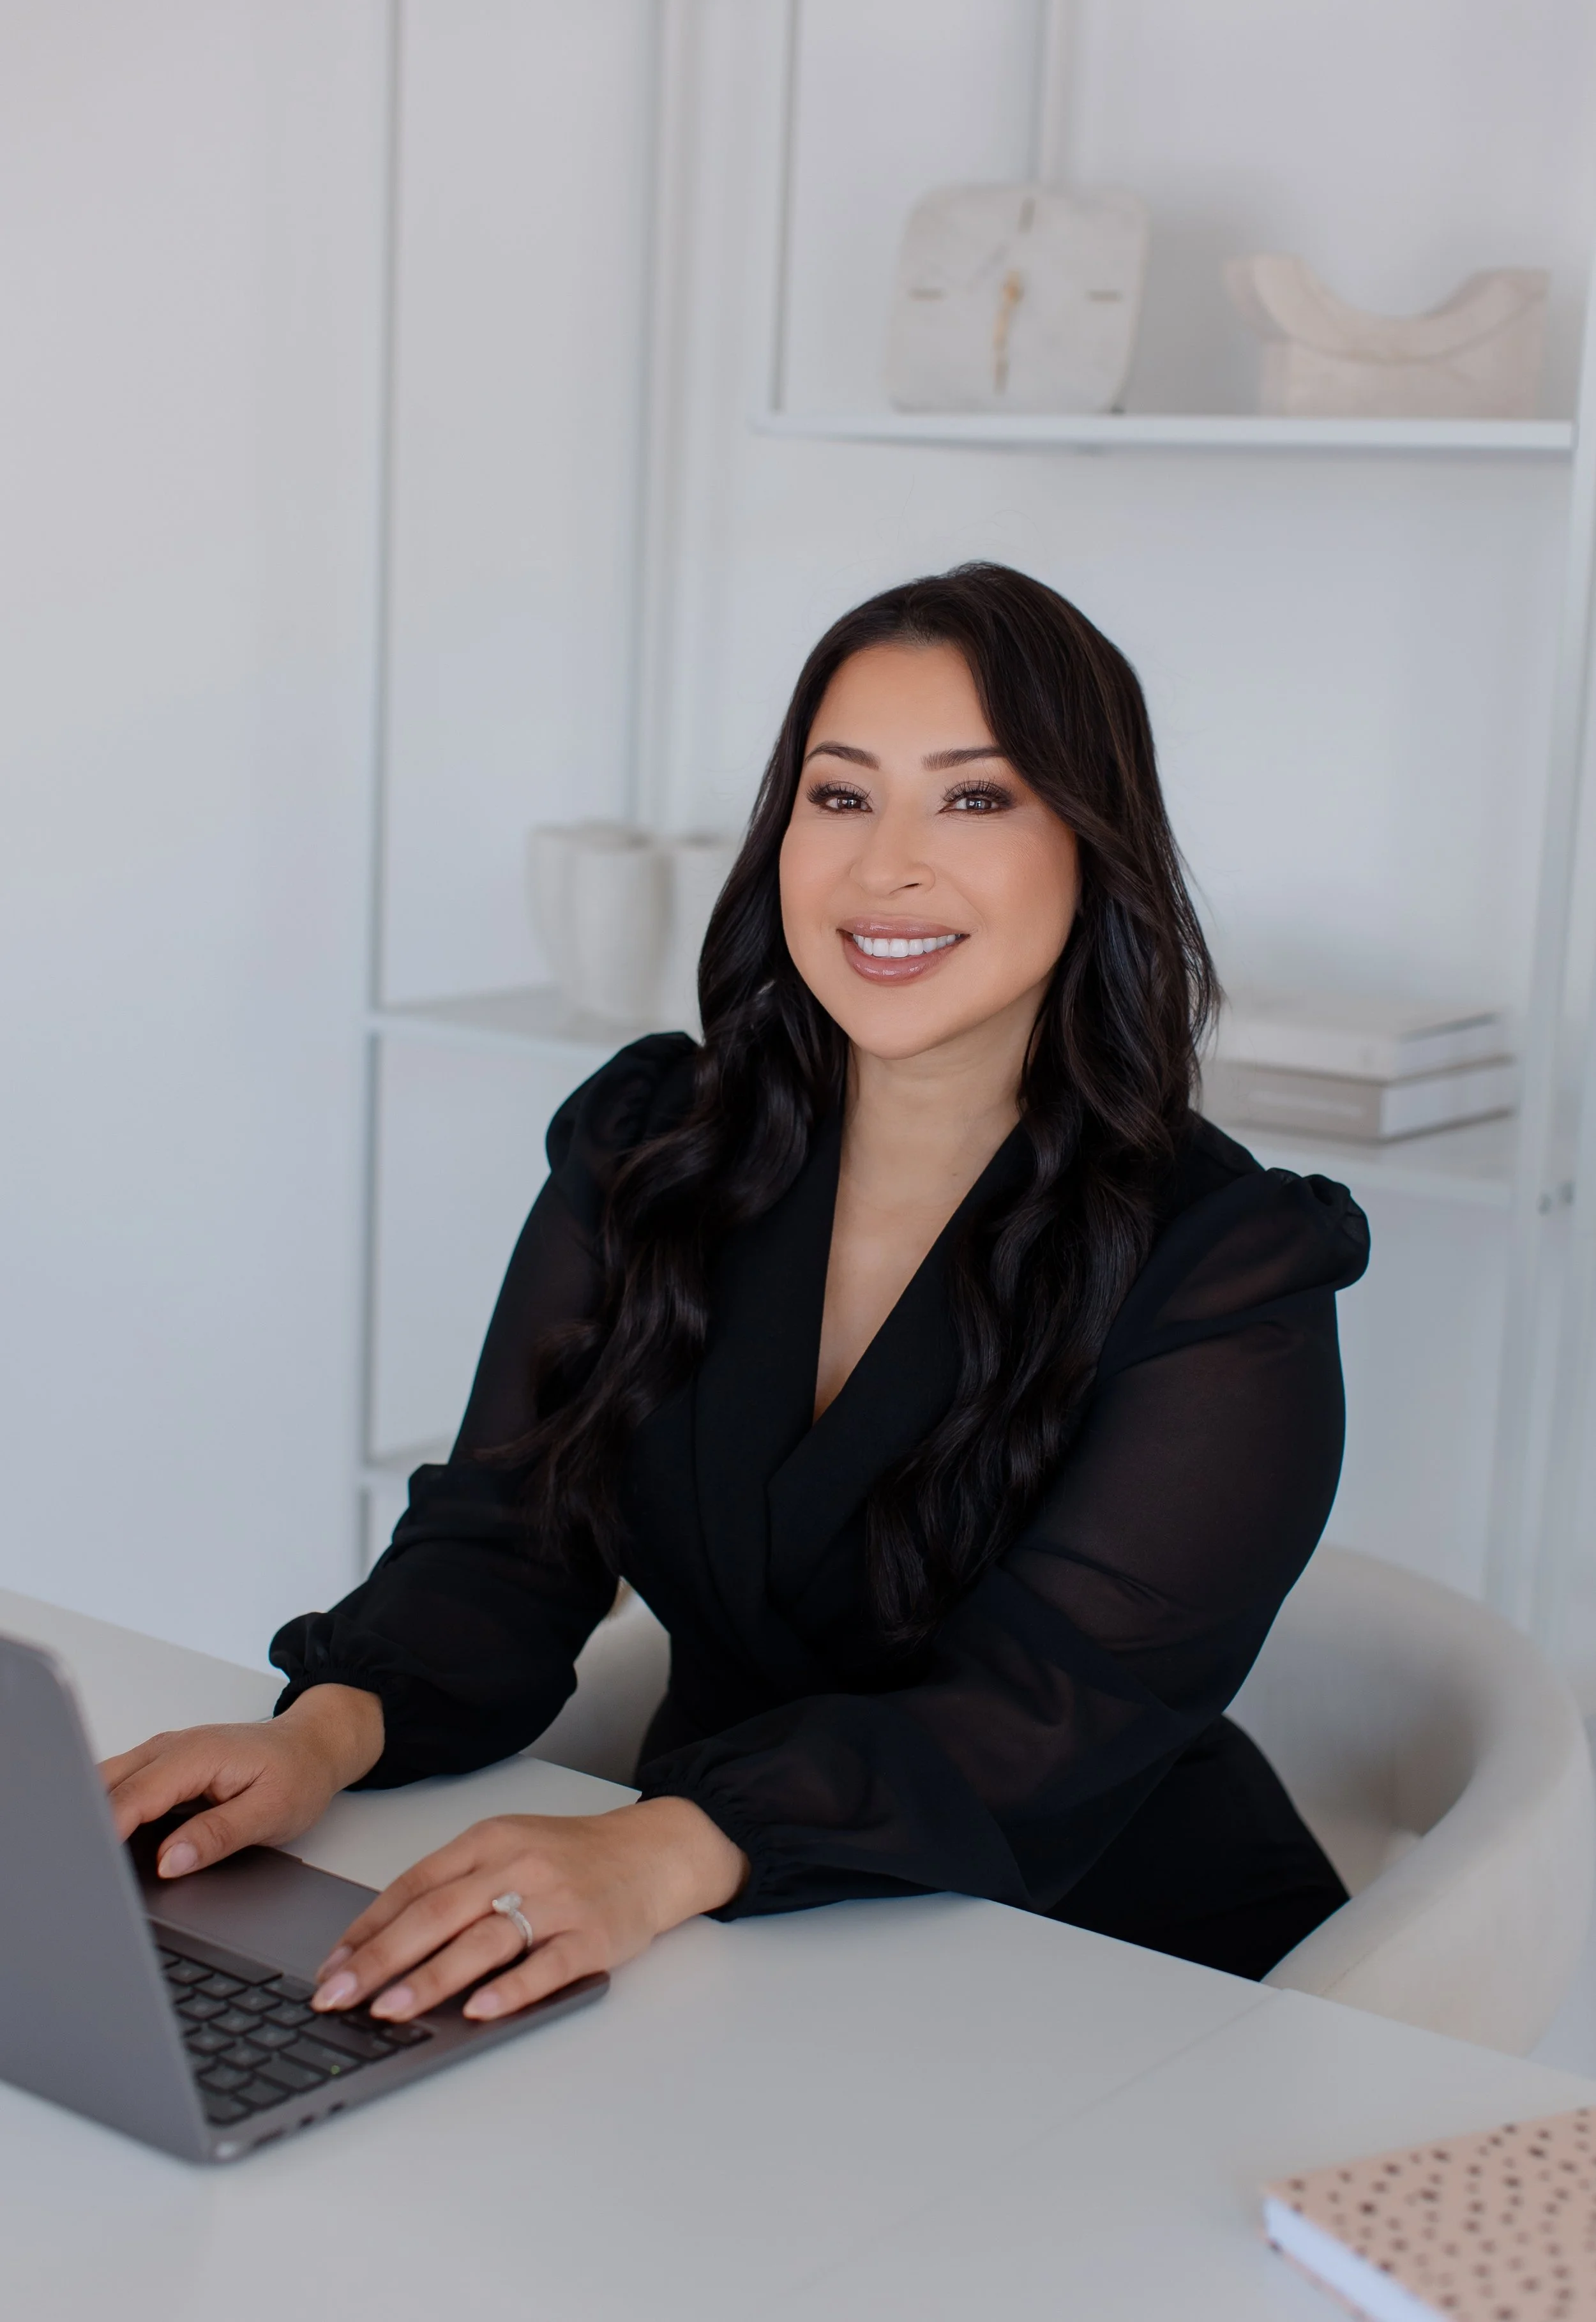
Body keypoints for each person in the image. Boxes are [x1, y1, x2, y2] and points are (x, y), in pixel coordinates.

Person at [103, 562, 1368, 2032]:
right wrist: (325, 1735)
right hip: (707, 1933)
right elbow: (509, 1537)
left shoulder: (1225, 1263)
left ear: (1092, 845)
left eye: (973, 799)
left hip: (1099, 1965)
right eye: (839, 798)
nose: (884, 867)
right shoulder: (656, 1146)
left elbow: (1047, 1715)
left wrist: (662, 1848)